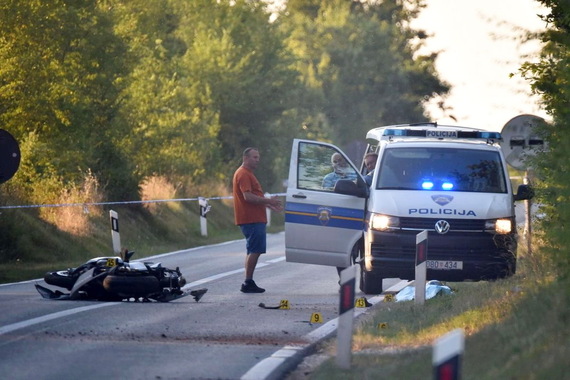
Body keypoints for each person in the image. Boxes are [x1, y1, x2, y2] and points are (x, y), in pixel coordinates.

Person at [233, 147, 282, 293]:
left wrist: (268, 204)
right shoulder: (243, 174)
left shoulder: (248, 174)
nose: (257, 160)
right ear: (246, 158)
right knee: (255, 249)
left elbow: (253, 196)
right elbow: (247, 197)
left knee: (253, 250)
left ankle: (248, 281)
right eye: (254, 157)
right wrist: (268, 201)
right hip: (251, 219)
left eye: (258, 157)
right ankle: (248, 281)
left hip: (254, 218)